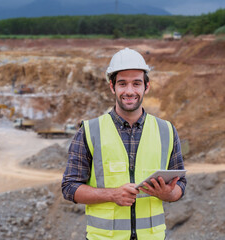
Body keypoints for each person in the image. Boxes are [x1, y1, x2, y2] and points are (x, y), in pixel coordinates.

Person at [61, 48, 186, 240]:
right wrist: (112, 195)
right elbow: (69, 187)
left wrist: (168, 194)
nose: (129, 91)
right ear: (112, 87)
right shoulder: (89, 131)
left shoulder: (166, 131)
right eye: (122, 84)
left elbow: (181, 186)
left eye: (136, 83)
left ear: (147, 86)